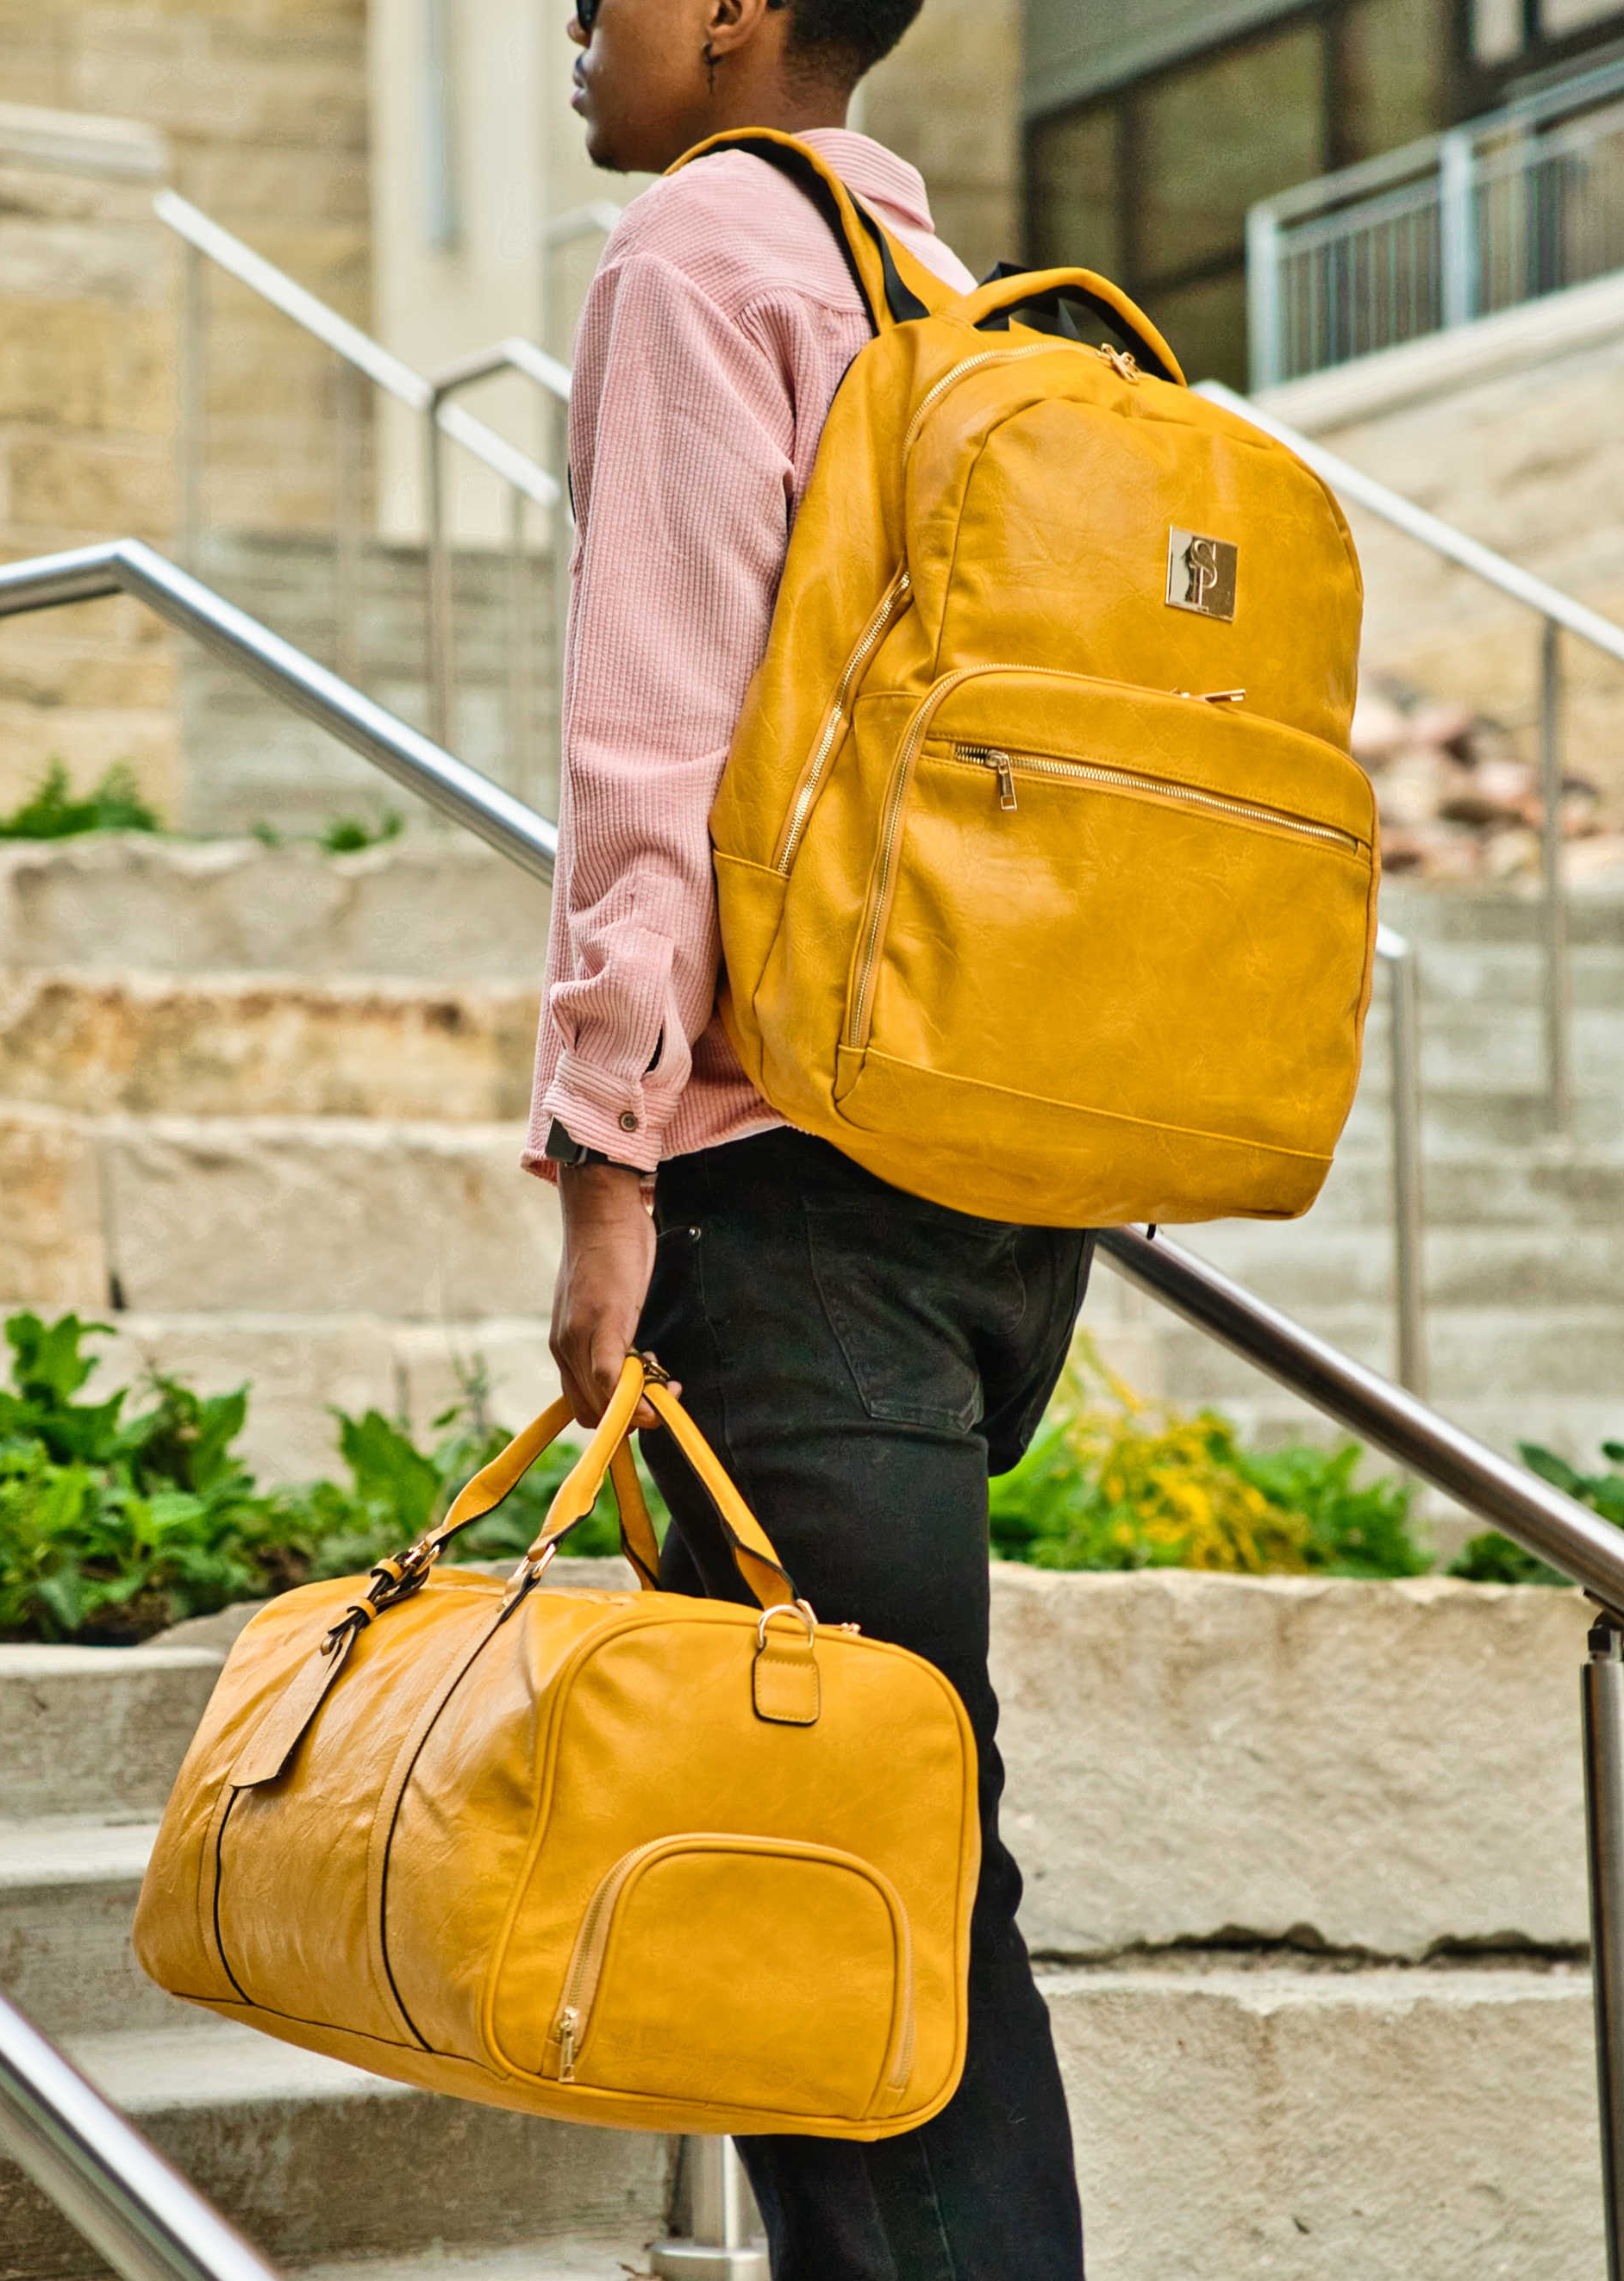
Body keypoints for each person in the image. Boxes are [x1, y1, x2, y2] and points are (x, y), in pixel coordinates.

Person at [526, 0, 1096, 2272]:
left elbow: (651, 752)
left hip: (786, 1190)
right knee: (900, 1840)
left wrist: (604, 1162)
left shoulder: (702, 257)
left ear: (744, 5)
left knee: (828, 1873)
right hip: (983, 1193)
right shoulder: (940, 293)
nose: (570, 26)